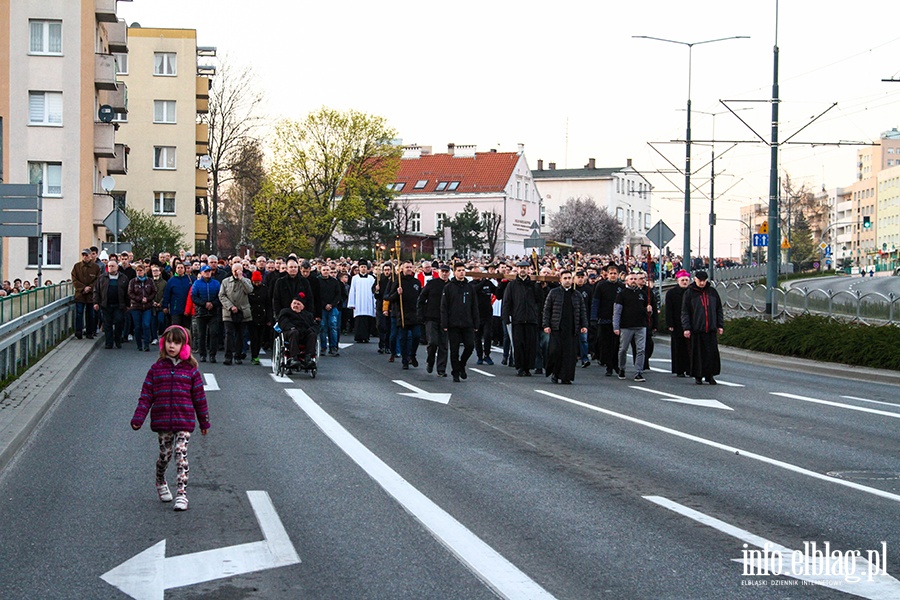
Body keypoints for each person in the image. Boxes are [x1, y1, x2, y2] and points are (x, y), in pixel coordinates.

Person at [131, 325, 210, 512]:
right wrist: (138, 418)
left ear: (184, 346)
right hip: (163, 420)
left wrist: (204, 421)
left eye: (176, 342)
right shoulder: (156, 369)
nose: (171, 346)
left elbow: (199, 398)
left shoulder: (191, 371)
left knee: (180, 453)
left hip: (184, 420)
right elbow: (146, 396)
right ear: (163, 343)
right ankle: (160, 480)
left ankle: (182, 494)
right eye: (168, 342)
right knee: (165, 455)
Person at [542, 270, 588, 384]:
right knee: (556, 352)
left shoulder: (577, 294)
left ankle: (566, 377)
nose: (567, 280)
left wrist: (584, 325)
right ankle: (555, 373)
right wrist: (546, 325)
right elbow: (547, 310)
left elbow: (582, 310)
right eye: (565, 278)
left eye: (569, 278)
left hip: (572, 329)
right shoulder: (554, 293)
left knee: (570, 354)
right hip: (557, 328)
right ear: (560, 280)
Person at [681, 270, 725, 385]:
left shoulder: (712, 292)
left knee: (711, 354)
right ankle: (698, 375)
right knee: (698, 354)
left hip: (710, 328)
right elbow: (685, 312)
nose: (701, 283)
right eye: (699, 281)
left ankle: (710, 375)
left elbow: (718, 309)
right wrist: (687, 327)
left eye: (704, 281)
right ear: (695, 280)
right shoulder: (690, 293)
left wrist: (720, 325)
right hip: (696, 329)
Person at [501, 261, 543, 377]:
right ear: (517, 270)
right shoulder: (512, 285)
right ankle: (519, 367)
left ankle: (528, 367)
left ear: (528, 269)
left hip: (531, 319)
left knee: (530, 345)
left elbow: (540, 300)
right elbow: (507, 302)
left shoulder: (533, 284)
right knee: (518, 344)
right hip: (517, 319)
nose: (523, 270)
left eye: (525, 268)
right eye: (520, 268)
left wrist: (539, 286)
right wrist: (506, 317)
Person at [441, 262, 479, 382]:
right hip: (453, 323)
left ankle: (462, 365)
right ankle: (455, 372)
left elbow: (474, 306)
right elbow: (444, 307)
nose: (461, 272)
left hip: (467, 322)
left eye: (463, 270)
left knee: (470, 346)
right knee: (454, 349)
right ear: (455, 272)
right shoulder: (449, 287)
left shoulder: (469, 288)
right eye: (459, 270)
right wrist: (445, 323)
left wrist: (476, 322)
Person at [385, 261, 422, 370]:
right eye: (407, 267)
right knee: (403, 338)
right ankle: (405, 360)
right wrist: (397, 293)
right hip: (401, 314)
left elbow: (420, 297)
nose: (409, 269)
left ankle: (412, 354)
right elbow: (389, 297)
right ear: (402, 269)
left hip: (414, 313)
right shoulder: (398, 281)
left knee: (416, 336)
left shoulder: (416, 282)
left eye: (410, 267)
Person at [613, 271, 648, 382]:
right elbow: (617, 311)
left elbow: (645, 308)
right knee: (623, 349)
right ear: (627, 281)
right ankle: (622, 368)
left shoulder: (642, 294)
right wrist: (616, 326)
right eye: (631, 279)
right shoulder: (622, 294)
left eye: (635, 279)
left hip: (640, 325)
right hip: (626, 326)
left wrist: (649, 311)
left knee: (641, 349)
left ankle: (638, 372)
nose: (633, 281)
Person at [417, 263, 450, 377]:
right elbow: (421, 299)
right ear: (439, 272)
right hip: (431, 317)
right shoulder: (432, 284)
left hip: (446, 319)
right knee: (433, 342)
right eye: (443, 272)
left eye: (446, 272)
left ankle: (441, 369)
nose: (444, 274)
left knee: (443, 345)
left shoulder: (451, 285)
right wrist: (420, 314)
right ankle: (430, 361)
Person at [591, 263, 623, 376]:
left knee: (617, 345)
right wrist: (594, 317)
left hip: (618, 321)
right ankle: (608, 365)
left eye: (615, 273)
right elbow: (595, 302)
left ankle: (616, 364)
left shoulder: (621, 287)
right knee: (606, 344)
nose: (613, 276)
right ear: (607, 274)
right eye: (611, 274)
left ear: (618, 274)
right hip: (604, 319)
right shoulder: (601, 286)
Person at [219, 263, 253, 365]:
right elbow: (221, 295)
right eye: (235, 270)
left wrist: (241, 279)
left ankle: (237, 355)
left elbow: (249, 290)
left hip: (242, 311)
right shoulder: (225, 281)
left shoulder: (246, 281)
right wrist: (230, 306)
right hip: (229, 312)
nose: (237, 272)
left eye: (239, 270)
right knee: (229, 334)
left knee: (240, 335)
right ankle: (228, 356)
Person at [93, 258, 129, 349]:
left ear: (117, 267)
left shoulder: (123, 278)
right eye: (109, 266)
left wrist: (128, 305)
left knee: (118, 322)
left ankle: (117, 340)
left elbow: (127, 293)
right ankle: (109, 342)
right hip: (106, 305)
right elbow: (96, 291)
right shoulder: (102, 278)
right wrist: (96, 302)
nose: (111, 268)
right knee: (107, 324)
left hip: (119, 305)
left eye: (113, 266)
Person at [191, 265, 222, 363]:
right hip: (201, 312)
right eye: (205, 271)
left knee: (214, 333)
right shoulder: (197, 283)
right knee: (201, 335)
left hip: (213, 312)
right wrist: (204, 304)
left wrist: (213, 304)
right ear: (201, 273)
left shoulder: (216, 283)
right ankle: (202, 354)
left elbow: (220, 296)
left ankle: (212, 354)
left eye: (209, 271)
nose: (208, 273)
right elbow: (194, 297)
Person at [277, 296, 319, 368]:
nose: (296, 305)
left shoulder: (308, 315)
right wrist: (291, 327)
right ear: (291, 304)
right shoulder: (285, 312)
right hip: (289, 332)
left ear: (302, 307)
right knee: (294, 332)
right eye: (294, 303)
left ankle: (308, 357)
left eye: (298, 304)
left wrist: (311, 329)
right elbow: (283, 322)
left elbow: (315, 325)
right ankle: (294, 357)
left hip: (304, 334)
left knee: (312, 334)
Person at [665, 270, 692, 377]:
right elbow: (669, 309)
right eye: (683, 280)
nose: (685, 282)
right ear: (678, 281)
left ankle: (690, 369)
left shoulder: (691, 292)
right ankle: (679, 369)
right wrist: (670, 323)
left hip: (689, 324)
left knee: (690, 348)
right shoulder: (671, 293)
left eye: (686, 280)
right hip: (676, 323)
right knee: (678, 347)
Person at [71, 248, 101, 339]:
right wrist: (83, 288)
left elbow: (98, 280)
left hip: (91, 296)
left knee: (90, 314)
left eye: (86, 255)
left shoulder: (95, 267)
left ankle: (89, 332)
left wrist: (90, 288)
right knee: (79, 314)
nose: (85, 257)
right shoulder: (77, 266)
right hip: (80, 295)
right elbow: (74, 279)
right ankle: (78, 331)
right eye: (83, 255)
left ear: (90, 256)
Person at [128, 263, 157, 352]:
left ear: (144, 271)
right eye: (137, 271)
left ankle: (146, 344)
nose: (139, 272)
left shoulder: (150, 281)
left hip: (147, 307)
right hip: (136, 307)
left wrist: (147, 299)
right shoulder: (133, 281)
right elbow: (130, 293)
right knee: (137, 326)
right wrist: (139, 299)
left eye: (141, 270)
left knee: (146, 324)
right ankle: (139, 344)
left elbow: (154, 291)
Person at [317, 264, 344, 356]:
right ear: (321, 270)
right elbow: (317, 296)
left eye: (327, 270)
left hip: (333, 307)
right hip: (322, 308)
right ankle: (323, 347)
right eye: (324, 270)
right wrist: (324, 305)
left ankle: (333, 347)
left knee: (333, 327)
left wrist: (332, 304)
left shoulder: (335, 281)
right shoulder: (318, 281)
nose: (326, 272)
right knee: (323, 327)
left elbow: (338, 295)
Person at [471, 271, 497, 365]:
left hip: (488, 314)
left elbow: (497, 292)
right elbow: (474, 290)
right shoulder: (471, 284)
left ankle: (487, 354)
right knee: (477, 337)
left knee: (487, 335)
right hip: (476, 315)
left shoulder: (488, 284)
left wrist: (500, 282)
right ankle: (479, 356)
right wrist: (483, 281)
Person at [347, 261, 377, 343]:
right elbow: (352, 290)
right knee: (359, 320)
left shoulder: (372, 278)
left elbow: (374, 291)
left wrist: (374, 303)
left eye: (365, 267)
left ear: (367, 269)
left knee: (367, 320)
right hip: (358, 302)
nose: (363, 268)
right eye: (362, 267)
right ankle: (358, 337)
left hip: (368, 302)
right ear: (359, 268)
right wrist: (352, 303)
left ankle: (366, 337)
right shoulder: (355, 278)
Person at [247, 270, 272, 365]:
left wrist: (269, 318)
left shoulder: (265, 289)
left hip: (262, 315)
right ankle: (254, 356)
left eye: (258, 282)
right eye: (255, 282)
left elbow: (268, 304)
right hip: (252, 315)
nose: (257, 284)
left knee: (260, 338)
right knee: (254, 338)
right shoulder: (249, 289)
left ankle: (256, 353)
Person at [162, 261, 193, 328]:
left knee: (186, 328)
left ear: (184, 269)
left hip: (187, 308)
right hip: (175, 309)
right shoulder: (171, 281)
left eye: (181, 267)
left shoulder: (190, 279)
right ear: (175, 269)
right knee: (176, 327)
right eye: (178, 267)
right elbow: (167, 294)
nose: (180, 269)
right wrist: (165, 306)